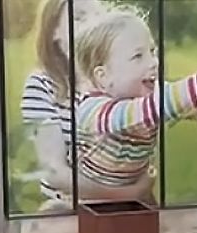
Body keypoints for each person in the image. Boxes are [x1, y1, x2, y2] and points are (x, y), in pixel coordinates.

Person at [72, 10, 197, 203]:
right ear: (104, 76)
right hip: (88, 205)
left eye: (152, 52)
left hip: (131, 201)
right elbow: (155, 107)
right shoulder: (94, 111)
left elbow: (194, 107)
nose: (153, 62)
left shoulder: (152, 97)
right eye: (138, 56)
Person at [20, 0, 156, 211]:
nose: (92, 24)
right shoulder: (42, 85)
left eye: (98, 16)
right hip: (71, 210)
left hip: (131, 208)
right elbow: (55, 173)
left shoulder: (122, 79)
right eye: (79, 18)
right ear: (54, 31)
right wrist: (129, 193)